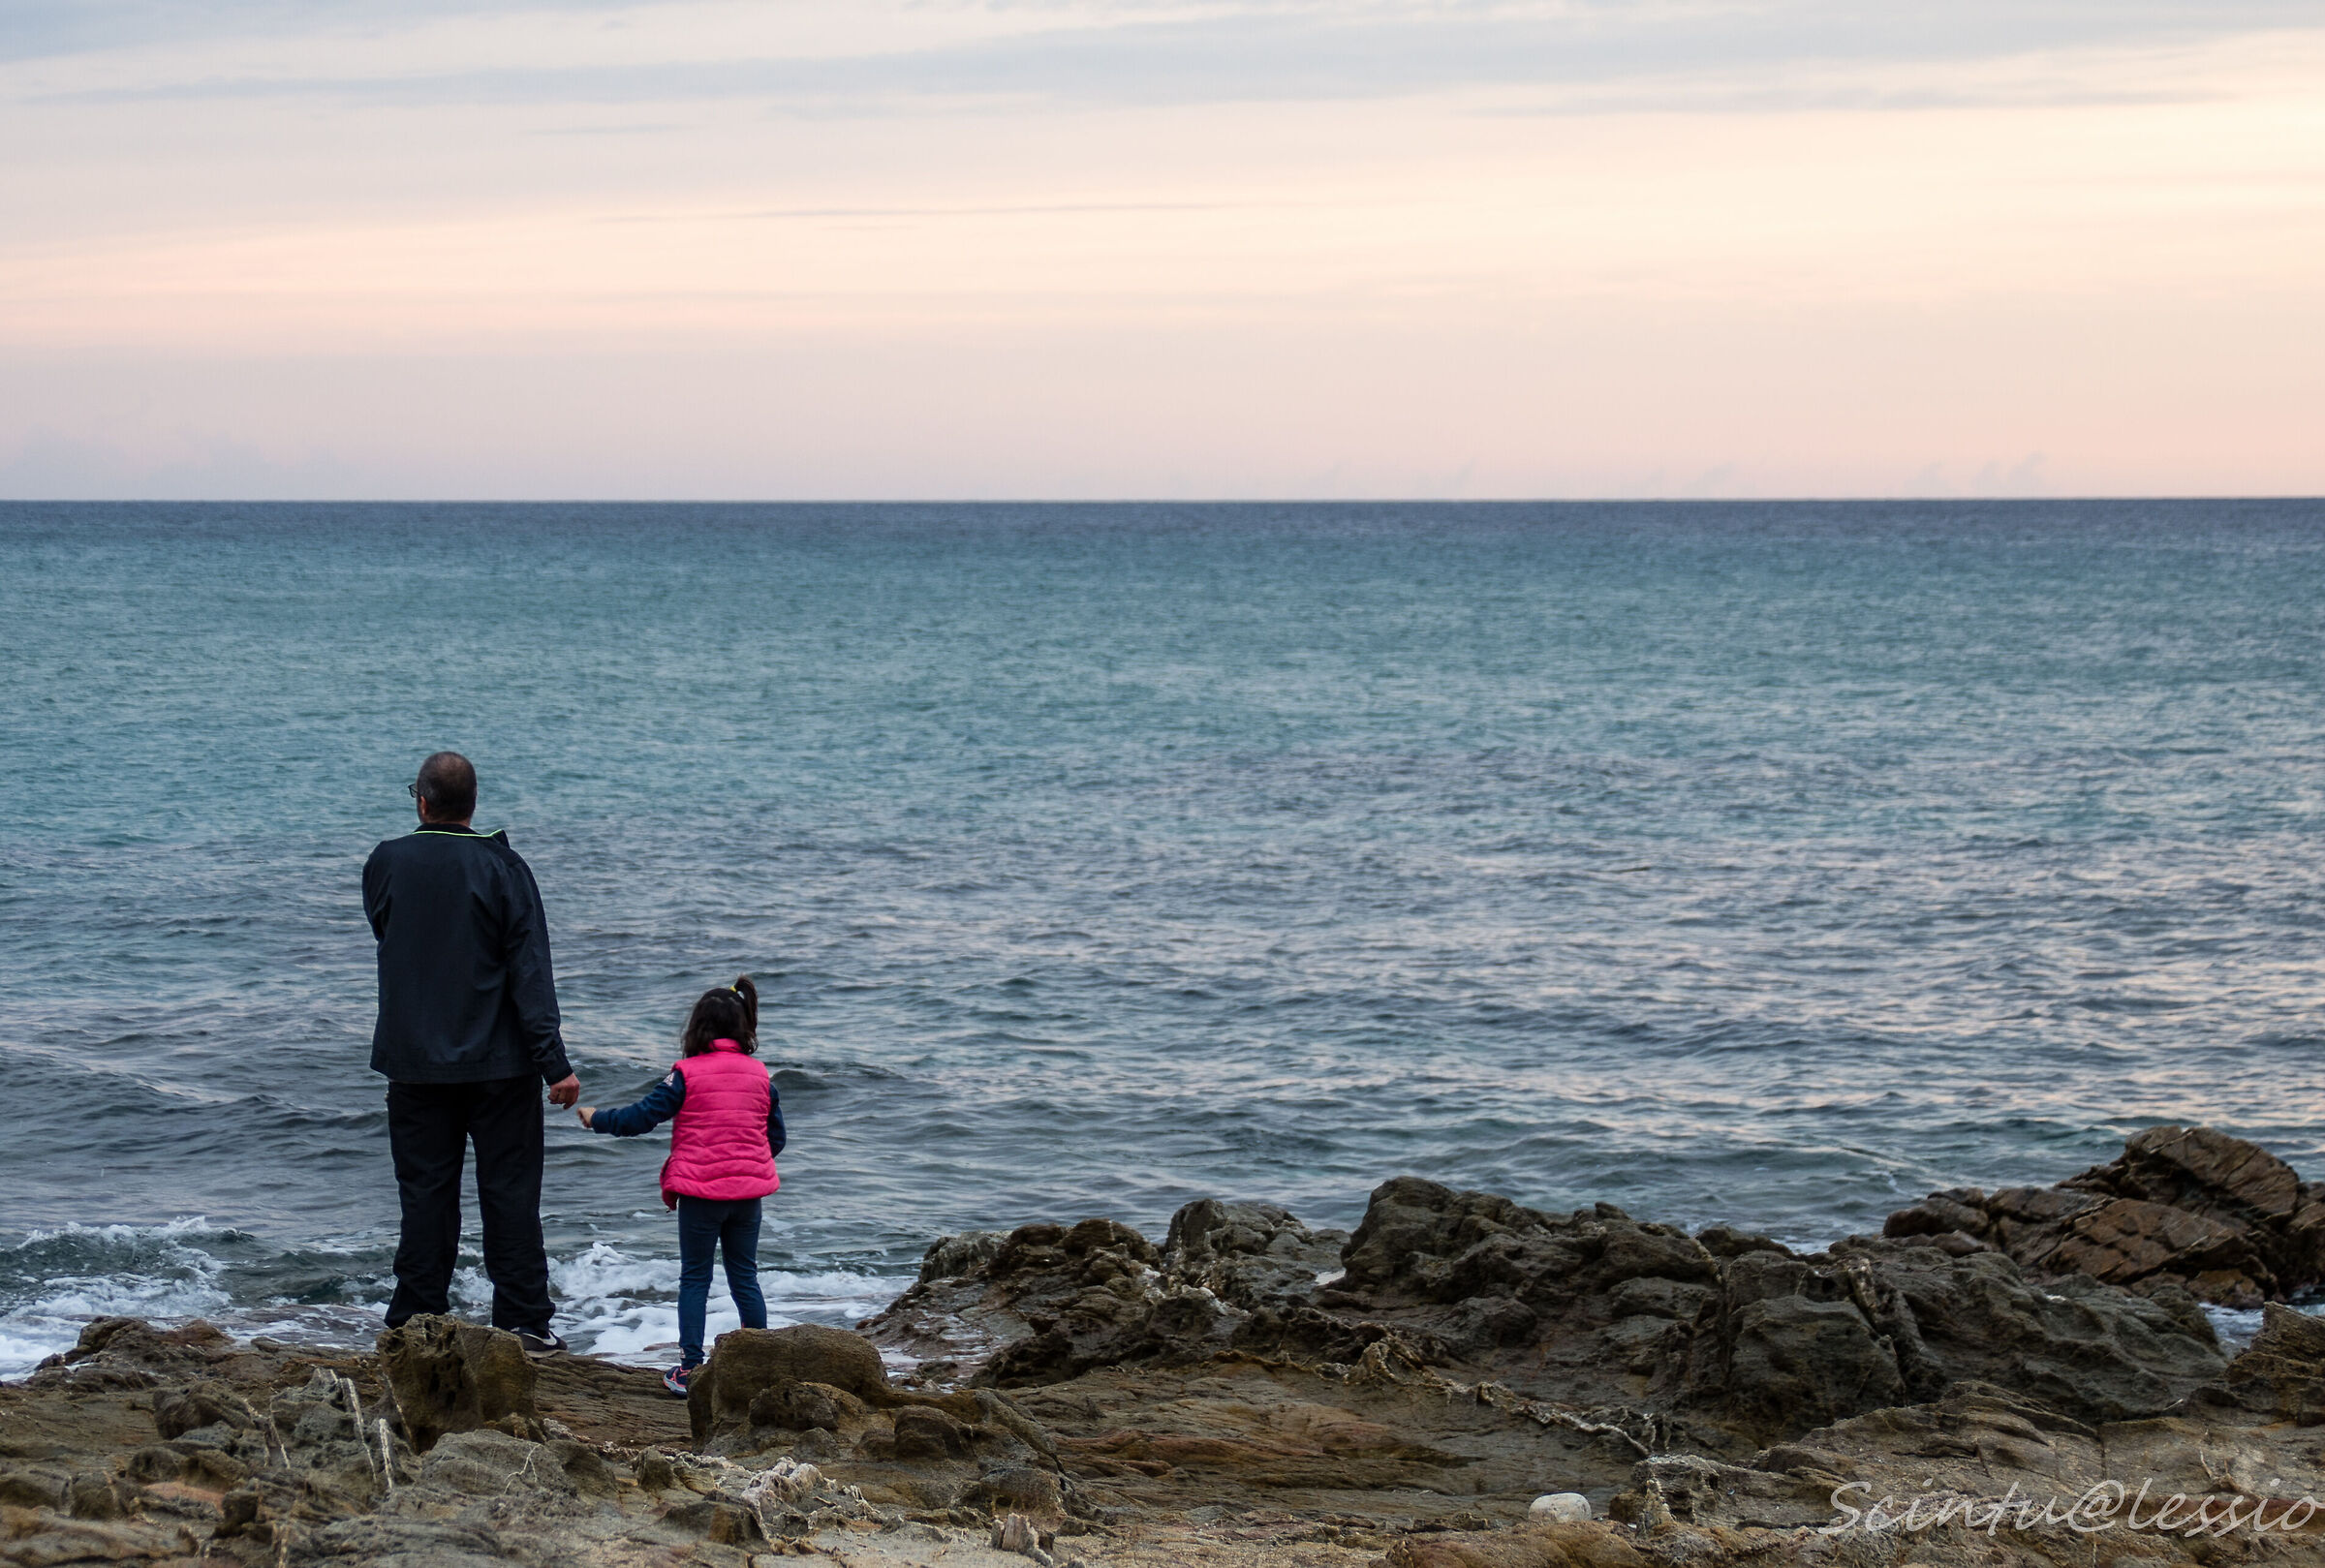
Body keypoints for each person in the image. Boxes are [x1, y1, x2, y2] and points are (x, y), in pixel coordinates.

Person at [363, 751, 581, 1355]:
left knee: (425, 1194)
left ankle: (415, 1319)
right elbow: (530, 971)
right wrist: (554, 1063)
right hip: (502, 1063)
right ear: (473, 805)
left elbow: (385, 932)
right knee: (510, 1195)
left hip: (415, 1062)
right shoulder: (504, 867)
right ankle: (523, 1322)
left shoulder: (386, 862)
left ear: (422, 802)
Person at [576, 976, 785, 1397]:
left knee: (695, 1278)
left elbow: (641, 1118)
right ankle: (760, 1363)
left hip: (701, 1196)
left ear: (698, 1029)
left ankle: (691, 1368)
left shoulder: (685, 1075)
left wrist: (597, 1118)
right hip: (748, 1197)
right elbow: (775, 1138)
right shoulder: (761, 1075)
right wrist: (743, 1165)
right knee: (745, 1277)